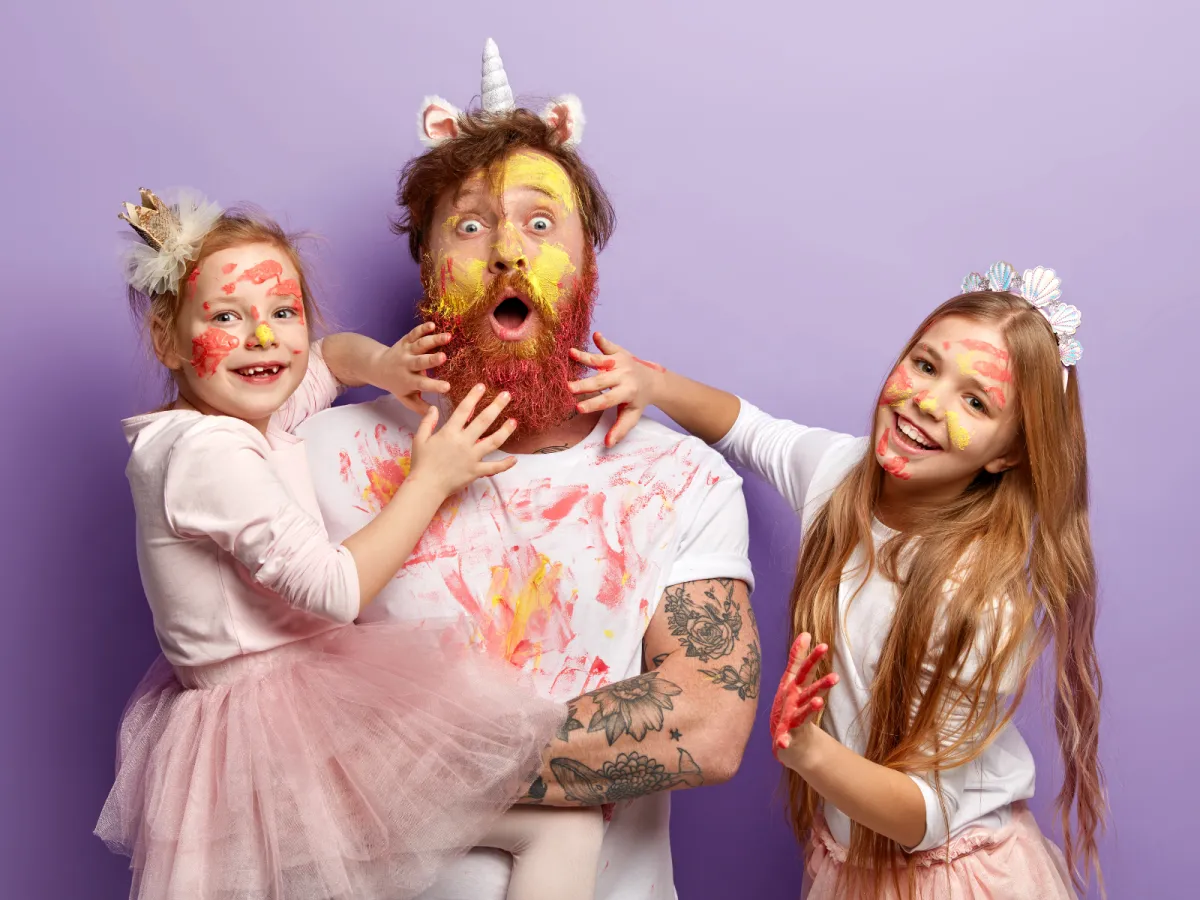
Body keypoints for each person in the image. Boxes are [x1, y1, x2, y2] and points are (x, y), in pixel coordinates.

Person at [297, 40, 758, 899]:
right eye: (470, 227)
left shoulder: (675, 478)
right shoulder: (323, 458)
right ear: (430, 271)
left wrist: (409, 761)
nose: (508, 251)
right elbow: (256, 725)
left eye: (541, 225)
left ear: (586, 267)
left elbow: (706, 722)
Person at [95, 189, 607, 900]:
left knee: (556, 827)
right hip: (270, 736)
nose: (266, 339)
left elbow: (329, 359)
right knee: (559, 827)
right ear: (167, 340)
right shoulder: (208, 455)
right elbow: (336, 592)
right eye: (227, 317)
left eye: (283, 313)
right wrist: (430, 480)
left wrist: (381, 365)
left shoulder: (235, 416)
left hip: (283, 710)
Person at [573, 262, 1102, 898]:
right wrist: (652, 383)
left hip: (951, 876)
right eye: (926, 366)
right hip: (849, 862)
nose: (927, 402)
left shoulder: (979, 600)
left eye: (975, 401)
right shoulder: (839, 474)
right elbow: (748, 428)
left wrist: (808, 753)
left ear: (1006, 454)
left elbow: (927, 817)